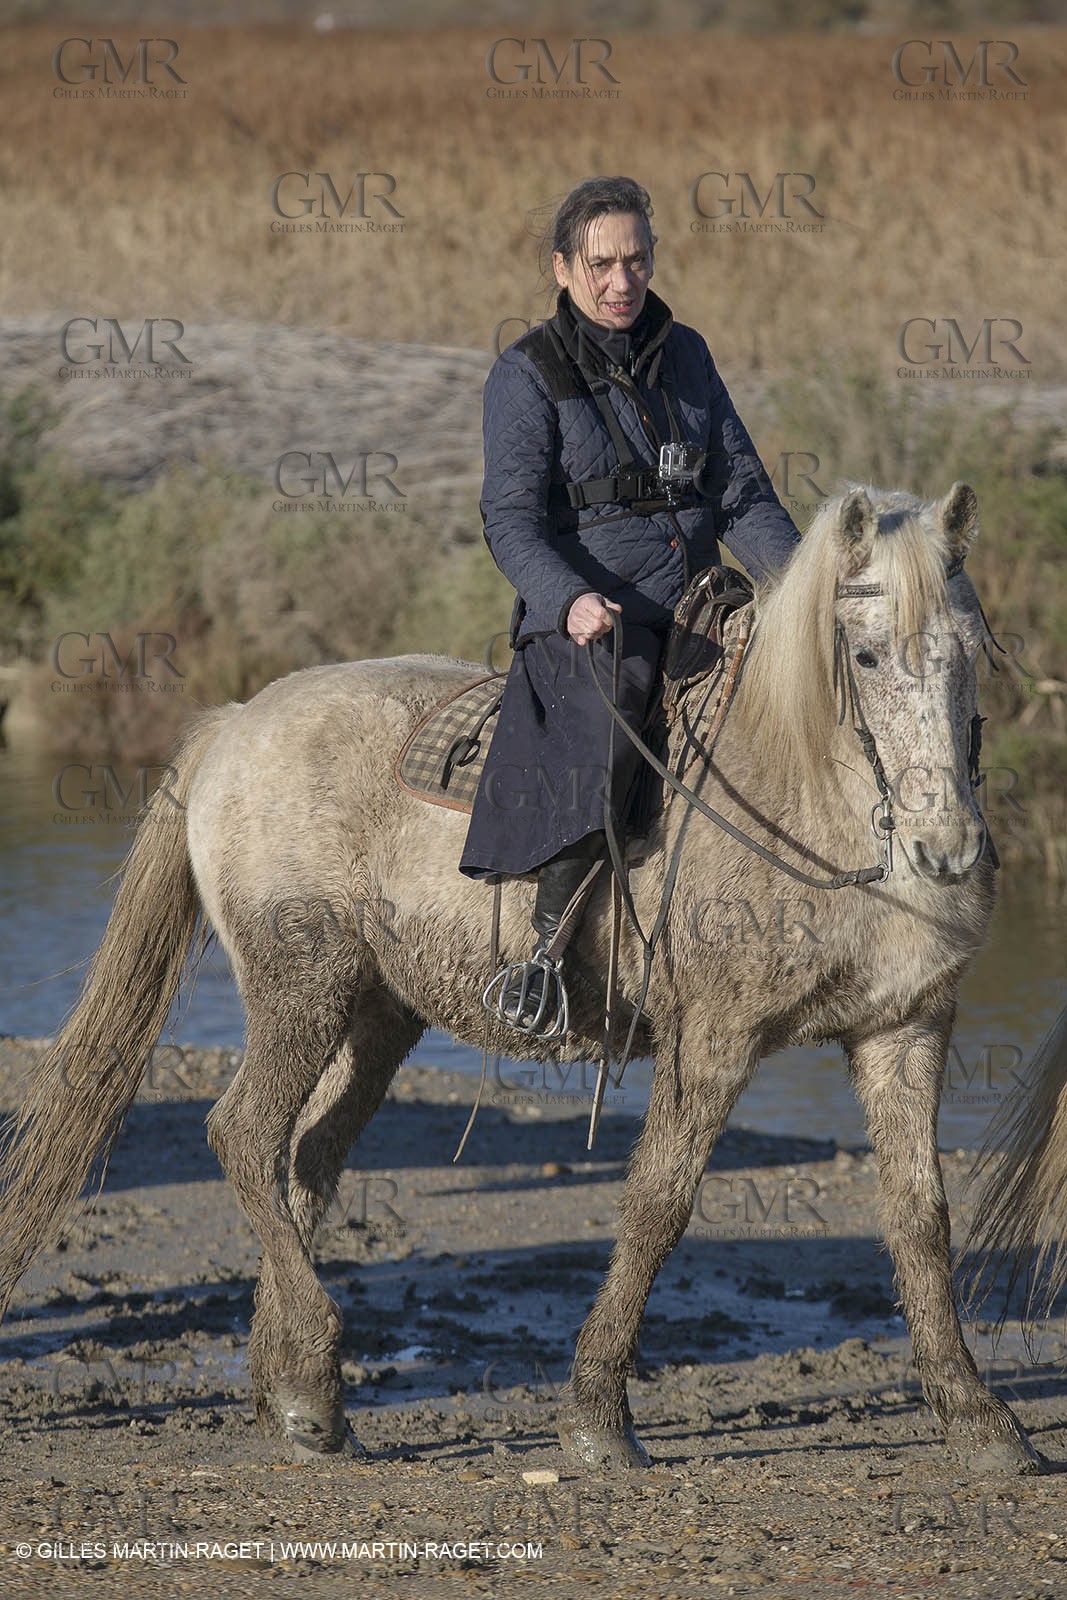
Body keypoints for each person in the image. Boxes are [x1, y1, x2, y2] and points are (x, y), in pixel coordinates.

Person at [459, 175, 801, 1037]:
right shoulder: (525, 373)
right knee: (610, 727)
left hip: (700, 605)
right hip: (592, 620)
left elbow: (743, 496)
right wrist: (567, 597)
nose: (621, 281)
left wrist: (800, 589)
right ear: (563, 268)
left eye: (636, 260)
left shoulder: (686, 354)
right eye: (602, 263)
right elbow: (508, 521)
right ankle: (542, 961)